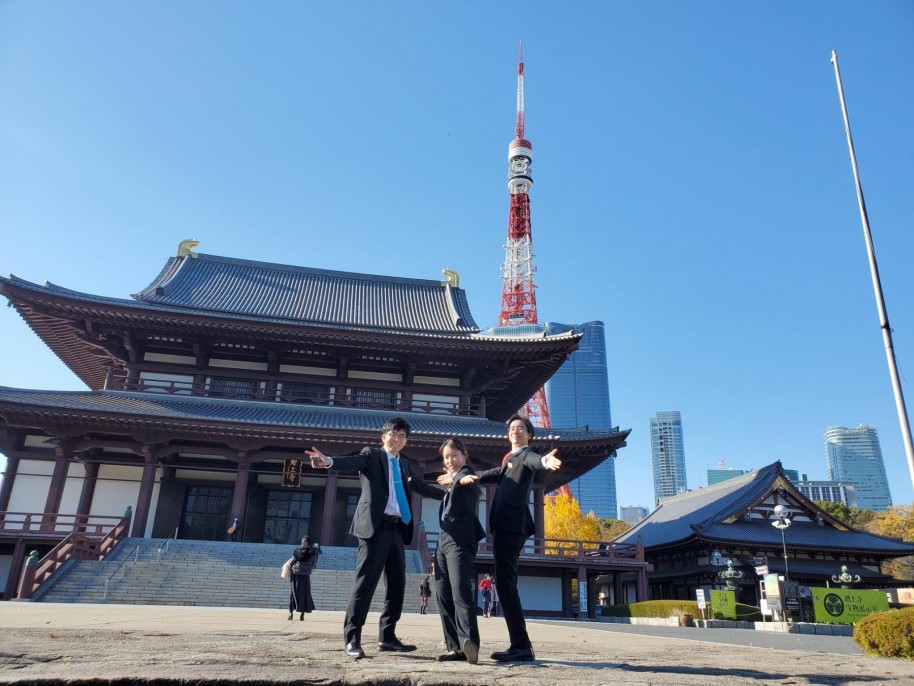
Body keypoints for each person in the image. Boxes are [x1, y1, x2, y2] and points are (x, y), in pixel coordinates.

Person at [306, 417, 418, 659]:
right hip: (374, 529)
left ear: (406, 441)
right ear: (383, 437)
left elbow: (414, 488)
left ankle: (387, 637)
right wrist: (329, 461)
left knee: (397, 585)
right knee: (365, 582)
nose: (397, 439)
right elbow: (351, 461)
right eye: (393, 434)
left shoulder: (405, 464)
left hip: (398, 528)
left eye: (402, 436)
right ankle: (352, 638)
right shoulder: (372, 456)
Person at [471, 413, 562, 662]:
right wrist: (468, 476)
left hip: (512, 527)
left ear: (529, 434)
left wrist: (544, 460)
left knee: (506, 585)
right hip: (506, 527)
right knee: (505, 584)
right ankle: (520, 644)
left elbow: (536, 460)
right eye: (512, 428)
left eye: (521, 427)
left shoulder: (525, 455)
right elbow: (495, 473)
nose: (515, 430)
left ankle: (521, 645)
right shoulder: (510, 459)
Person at [412, 438, 485, 664]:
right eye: (446, 457)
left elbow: (467, 480)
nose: (451, 460)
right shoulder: (451, 486)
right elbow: (431, 491)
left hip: (461, 542)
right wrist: (408, 479)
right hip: (443, 542)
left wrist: (457, 477)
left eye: (454, 455)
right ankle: (455, 646)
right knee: (443, 593)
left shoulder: (466, 476)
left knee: (460, 590)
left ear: (464, 455)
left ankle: (470, 643)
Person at [288, 536, 321, 620]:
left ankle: (290, 613)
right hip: (305, 575)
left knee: (293, 594)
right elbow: (313, 564)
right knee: (305, 594)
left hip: (295, 574)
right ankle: (302, 615)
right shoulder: (312, 553)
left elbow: (292, 561)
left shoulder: (297, 551)